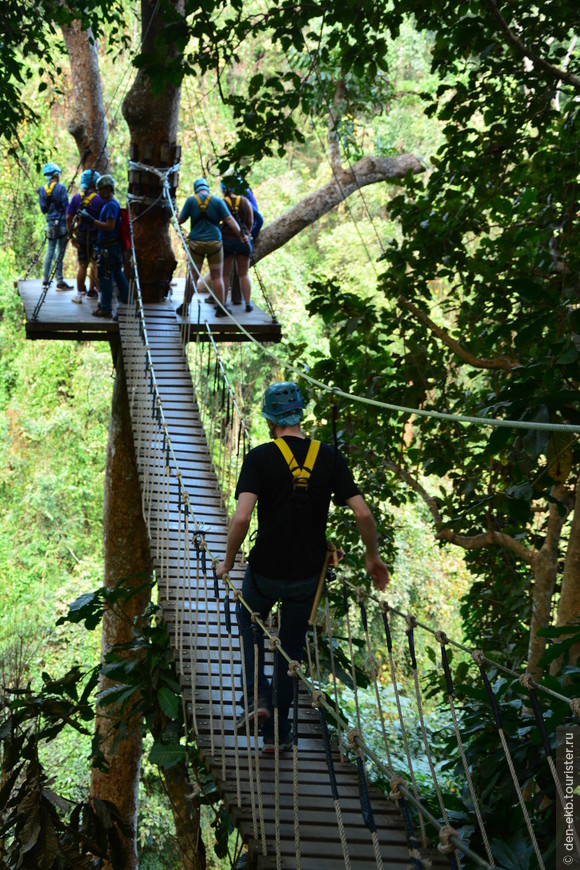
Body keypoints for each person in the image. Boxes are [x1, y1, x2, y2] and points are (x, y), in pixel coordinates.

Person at [215, 382, 389, 753]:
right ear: (300, 415)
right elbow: (363, 512)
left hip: (263, 573)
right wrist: (372, 557)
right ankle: (278, 736)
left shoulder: (258, 457)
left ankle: (255, 700)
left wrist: (228, 562)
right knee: (289, 652)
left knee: (249, 624)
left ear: (268, 419)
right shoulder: (329, 457)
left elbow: (242, 518)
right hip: (306, 577)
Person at [177, 177, 249, 318]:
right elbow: (229, 220)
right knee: (217, 277)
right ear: (207, 188)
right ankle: (221, 308)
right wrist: (241, 235)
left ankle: (185, 306)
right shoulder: (217, 201)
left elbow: (180, 220)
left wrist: (177, 214)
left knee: (193, 277)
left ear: (196, 189)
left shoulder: (191, 201)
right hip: (215, 244)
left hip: (196, 244)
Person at [78, 174, 129, 319]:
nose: (98, 192)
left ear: (108, 188)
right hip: (110, 247)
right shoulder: (110, 204)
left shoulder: (111, 205)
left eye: (100, 189)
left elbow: (110, 226)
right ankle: (127, 302)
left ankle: (106, 308)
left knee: (106, 277)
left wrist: (91, 221)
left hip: (109, 248)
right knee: (117, 275)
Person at [66, 168, 103, 304]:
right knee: (95, 265)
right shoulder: (100, 199)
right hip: (96, 236)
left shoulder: (76, 198)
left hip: (81, 236)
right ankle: (99, 296)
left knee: (82, 266)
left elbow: (68, 218)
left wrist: (71, 236)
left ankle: (78, 296)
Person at [38, 162, 72, 291]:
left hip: (51, 224)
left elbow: (43, 210)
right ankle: (59, 280)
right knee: (60, 253)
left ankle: (45, 280)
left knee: (50, 251)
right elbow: (66, 207)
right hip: (62, 224)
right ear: (56, 175)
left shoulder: (42, 190)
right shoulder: (61, 188)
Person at [220, 180, 254, 312]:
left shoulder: (223, 203)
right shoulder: (245, 202)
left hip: (226, 240)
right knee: (243, 274)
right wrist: (246, 233)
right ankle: (247, 303)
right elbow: (250, 221)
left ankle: (223, 303)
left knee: (225, 275)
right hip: (243, 241)